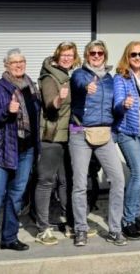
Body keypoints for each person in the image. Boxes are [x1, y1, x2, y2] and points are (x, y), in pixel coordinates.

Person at [0, 48, 41, 263]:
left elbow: (36, 118)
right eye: (14, 62)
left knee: (16, 196)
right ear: (6, 65)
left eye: (21, 61)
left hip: (26, 150)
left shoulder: (32, 87)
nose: (18, 65)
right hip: (0, 151)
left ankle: (9, 238)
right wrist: (7, 110)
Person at [34, 41, 97, 246]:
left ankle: (71, 223)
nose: (67, 58)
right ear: (57, 56)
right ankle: (43, 228)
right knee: (46, 181)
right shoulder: (49, 77)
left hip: (70, 135)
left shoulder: (71, 76)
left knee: (67, 181)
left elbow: (74, 110)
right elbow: (50, 104)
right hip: (51, 137)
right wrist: (59, 100)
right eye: (64, 55)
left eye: (70, 55)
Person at [69, 40, 128, 246]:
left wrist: (124, 106)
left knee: (118, 180)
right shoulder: (79, 74)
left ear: (105, 55)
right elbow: (77, 85)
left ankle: (115, 229)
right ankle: (81, 229)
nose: (96, 56)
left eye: (100, 53)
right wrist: (87, 87)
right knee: (80, 183)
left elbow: (115, 109)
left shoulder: (111, 80)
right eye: (92, 53)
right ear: (86, 55)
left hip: (104, 134)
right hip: (80, 133)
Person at [112, 41, 140, 240]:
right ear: (127, 57)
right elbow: (117, 104)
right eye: (133, 54)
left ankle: (136, 216)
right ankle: (127, 220)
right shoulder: (121, 77)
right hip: (126, 131)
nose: (137, 58)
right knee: (138, 172)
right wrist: (124, 104)